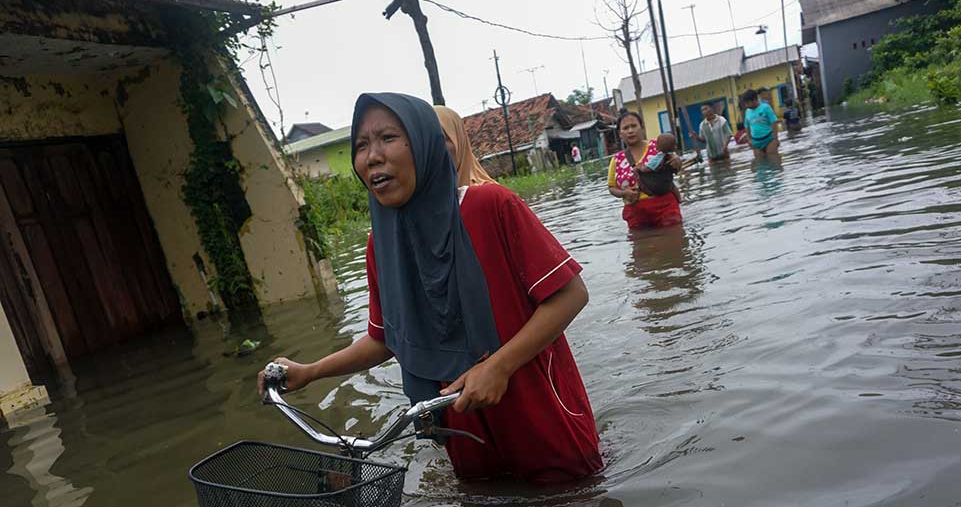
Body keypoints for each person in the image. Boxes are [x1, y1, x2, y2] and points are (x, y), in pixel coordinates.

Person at [259, 93, 602, 484]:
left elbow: (570, 294)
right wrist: (310, 371)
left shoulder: (490, 205)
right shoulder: (381, 245)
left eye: (388, 137)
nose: (372, 156)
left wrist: (498, 366)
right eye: (361, 145)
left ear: (423, 143)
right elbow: (387, 339)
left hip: (539, 414)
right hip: (462, 430)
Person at [606, 111, 682, 230]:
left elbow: (675, 162)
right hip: (636, 213)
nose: (630, 131)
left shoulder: (658, 146)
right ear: (620, 134)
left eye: (634, 126)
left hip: (666, 206)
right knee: (641, 244)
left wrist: (677, 161)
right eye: (625, 128)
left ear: (642, 128)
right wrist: (624, 193)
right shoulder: (616, 160)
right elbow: (611, 188)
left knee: (674, 239)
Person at [433, 105, 496, 186]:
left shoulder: (494, 196)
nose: (433, 146)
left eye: (442, 137)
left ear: (459, 139)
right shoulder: (420, 196)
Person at [742, 89, 779, 159]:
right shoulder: (747, 111)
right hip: (756, 142)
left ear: (754, 100)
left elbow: (774, 122)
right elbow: (746, 126)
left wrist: (775, 139)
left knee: (773, 160)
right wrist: (749, 139)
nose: (746, 105)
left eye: (747, 103)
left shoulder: (766, 107)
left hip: (769, 139)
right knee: (760, 163)